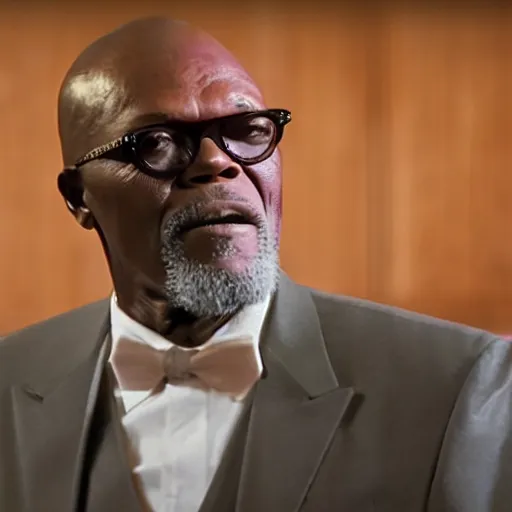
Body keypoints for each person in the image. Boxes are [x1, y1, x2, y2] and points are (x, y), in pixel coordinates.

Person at [0, 17, 511, 512]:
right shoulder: (10, 381)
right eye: (156, 142)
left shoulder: (454, 389)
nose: (220, 162)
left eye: (246, 129)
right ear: (79, 197)